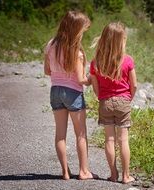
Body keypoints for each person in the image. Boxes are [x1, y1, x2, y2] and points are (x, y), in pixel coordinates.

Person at [44, 11, 97, 180]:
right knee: (80, 134)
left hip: (55, 91)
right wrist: (91, 78)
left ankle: (65, 172)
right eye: (82, 30)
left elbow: (47, 71)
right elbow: (81, 79)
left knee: (60, 134)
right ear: (76, 30)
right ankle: (84, 171)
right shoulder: (77, 53)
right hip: (73, 93)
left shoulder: (51, 45)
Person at [90, 22, 137, 184]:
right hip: (124, 101)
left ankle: (113, 174)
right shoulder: (128, 60)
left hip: (105, 102)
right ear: (121, 40)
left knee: (109, 139)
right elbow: (134, 84)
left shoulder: (96, 62)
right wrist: (129, 98)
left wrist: (102, 97)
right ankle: (126, 176)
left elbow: (95, 87)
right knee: (123, 140)